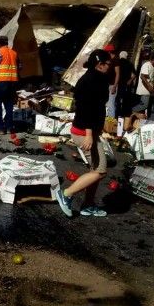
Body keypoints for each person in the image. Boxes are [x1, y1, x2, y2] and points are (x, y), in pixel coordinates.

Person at [55, 49, 112, 218]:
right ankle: (66, 194)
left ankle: (88, 204)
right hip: (83, 131)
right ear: (99, 64)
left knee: (94, 170)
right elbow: (87, 109)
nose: (110, 66)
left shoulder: (97, 78)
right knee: (100, 170)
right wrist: (89, 134)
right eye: (108, 64)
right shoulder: (89, 81)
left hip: (90, 131)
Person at [131, 52, 154, 120]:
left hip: (149, 90)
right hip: (145, 90)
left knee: (151, 106)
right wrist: (149, 87)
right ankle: (131, 112)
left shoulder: (152, 67)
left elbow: (149, 79)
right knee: (144, 105)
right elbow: (143, 77)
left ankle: (151, 120)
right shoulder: (147, 65)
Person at [115, 50, 136, 124]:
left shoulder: (117, 63)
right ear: (126, 57)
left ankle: (116, 117)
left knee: (117, 101)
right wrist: (130, 80)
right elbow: (134, 74)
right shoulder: (130, 63)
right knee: (125, 101)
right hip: (126, 85)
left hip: (117, 84)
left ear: (120, 56)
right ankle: (124, 117)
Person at [104, 44, 121, 118]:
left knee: (111, 103)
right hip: (107, 84)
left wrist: (115, 85)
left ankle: (111, 122)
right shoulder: (108, 60)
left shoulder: (116, 60)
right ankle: (107, 119)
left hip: (112, 85)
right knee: (107, 103)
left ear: (109, 52)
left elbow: (118, 74)